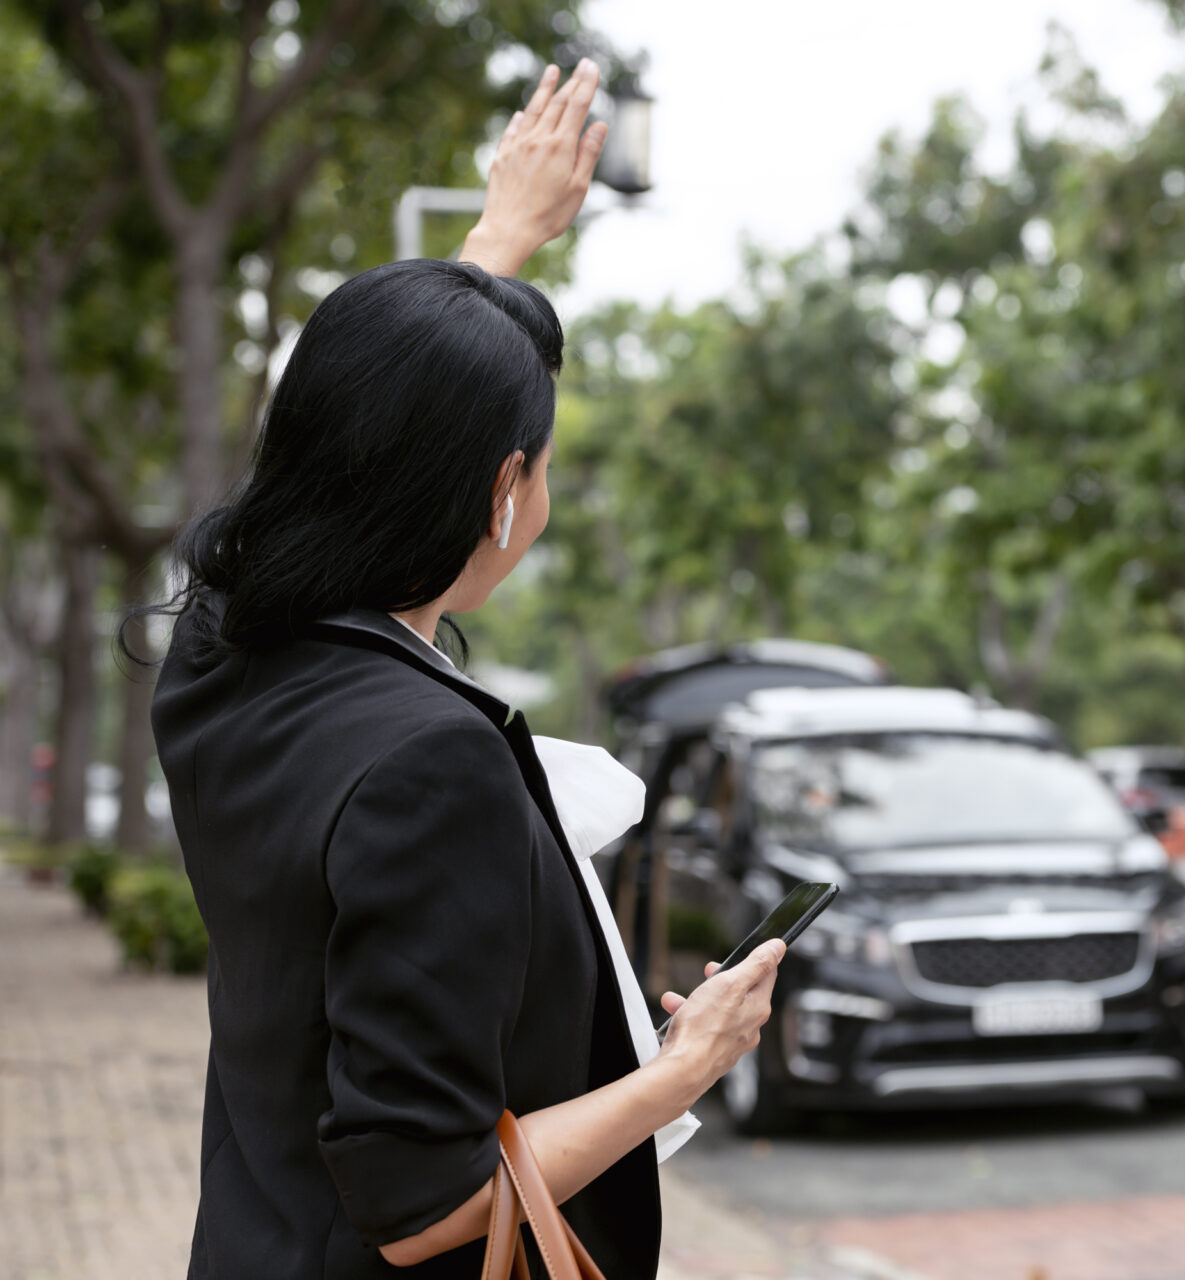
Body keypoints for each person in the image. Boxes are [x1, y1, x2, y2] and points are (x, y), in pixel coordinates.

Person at [144, 60, 782, 1278]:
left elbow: (350, 423)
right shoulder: (430, 763)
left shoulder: (221, 647)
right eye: (534, 468)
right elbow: (420, 1202)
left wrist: (503, 239)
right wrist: (687, 1065)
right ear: (502, 496)